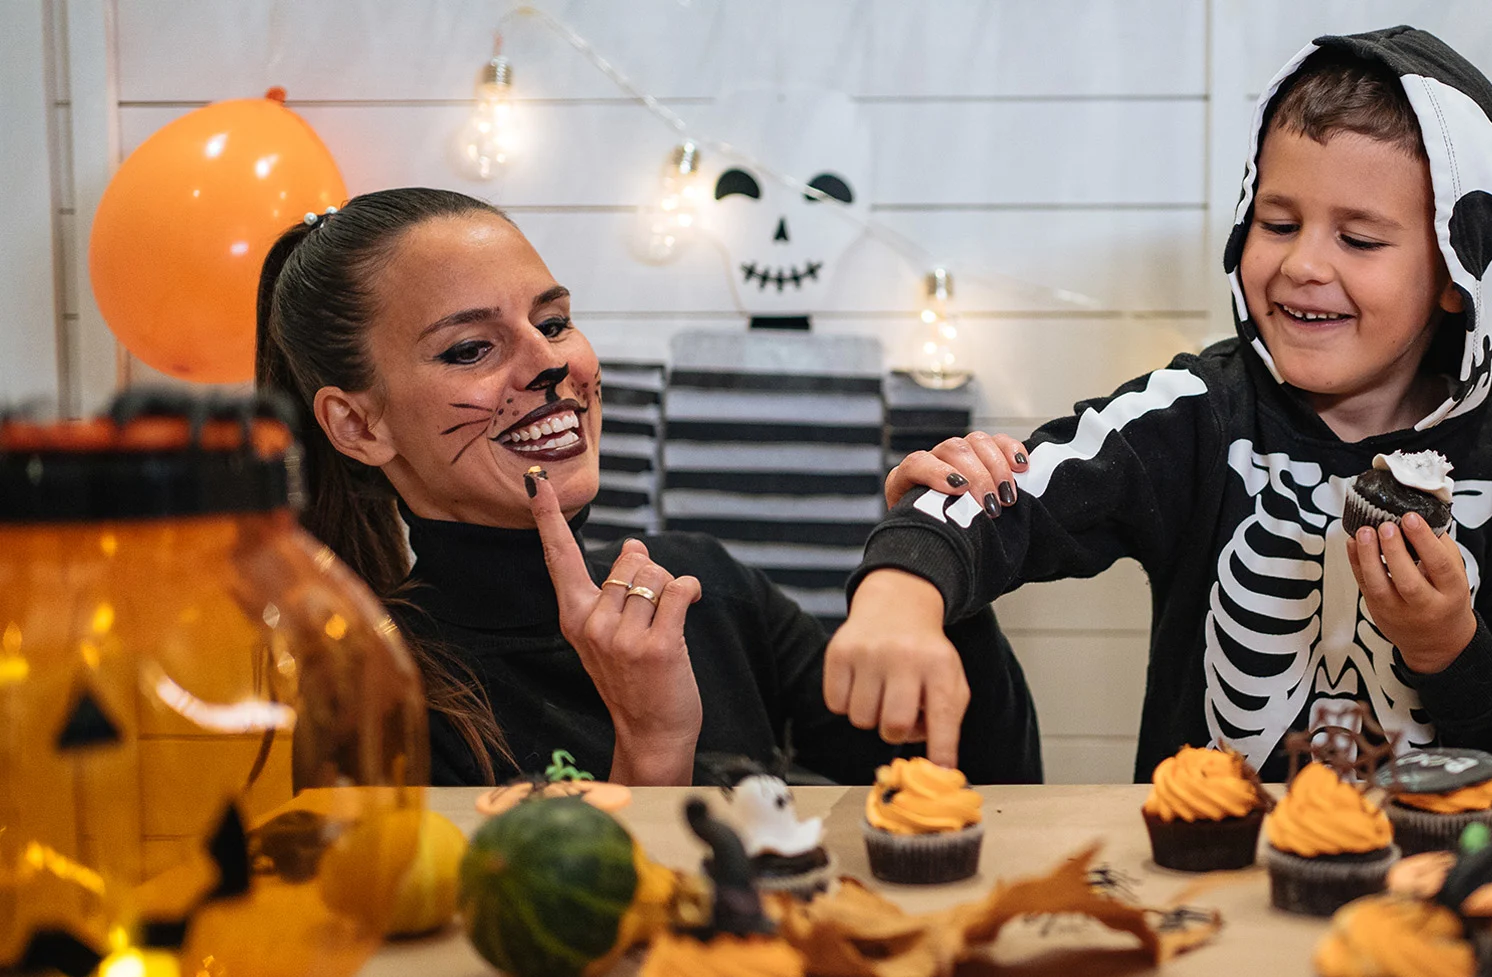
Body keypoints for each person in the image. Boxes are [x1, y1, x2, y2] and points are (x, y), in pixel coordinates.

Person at [828, 29, 1492, 781]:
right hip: (1206, 881)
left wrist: (1450, 649)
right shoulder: (1198, 414)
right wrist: (902, 589)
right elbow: (1007, 496)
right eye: (1279, 223)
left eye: (1359, 240)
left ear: (1460, 270)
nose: (1302, 264)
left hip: (1436, 884)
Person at [253, 187, 1040, 785]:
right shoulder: (371, 698)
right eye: (469, 350)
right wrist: (652, 746)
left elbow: (976, 795)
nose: (550, 364)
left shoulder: (703, 589)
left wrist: (936, 566)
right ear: (359, 426)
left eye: (554, 323)